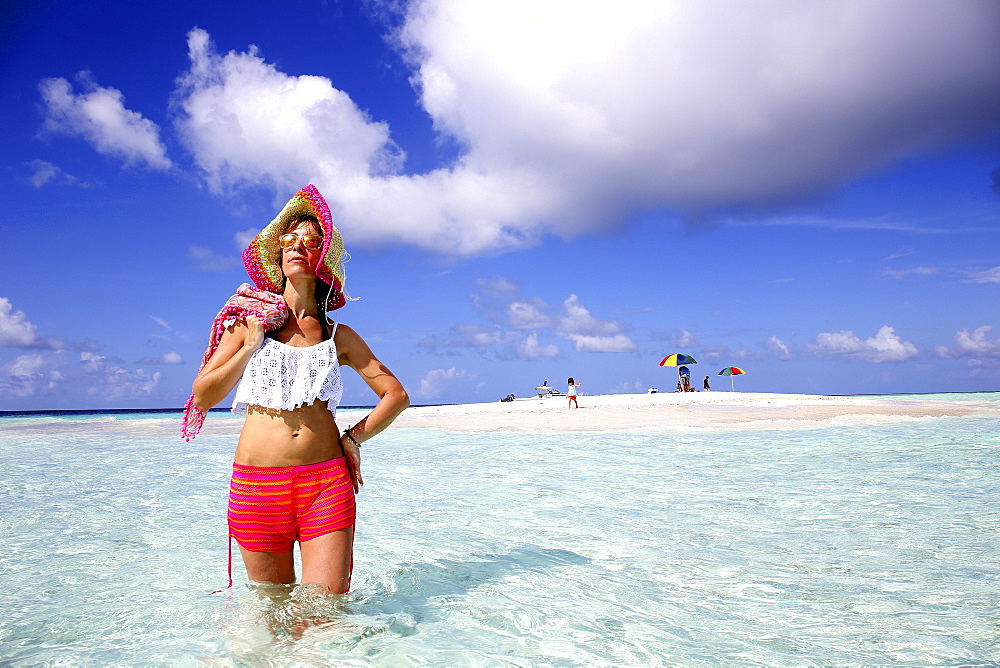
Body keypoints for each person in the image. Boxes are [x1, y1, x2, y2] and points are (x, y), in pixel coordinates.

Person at [182, 185, 408, 594]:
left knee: (326, 611)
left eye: (310, 240)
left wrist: (353, 438)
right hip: (257, 488)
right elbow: (203, 396)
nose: (297, 246)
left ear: (323, 260)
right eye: (289, 239)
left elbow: (396, 395)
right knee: (271, 615)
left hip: (326, 484)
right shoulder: (246, 323)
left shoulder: (340, 336)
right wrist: (250, 346)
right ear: (278, 254)